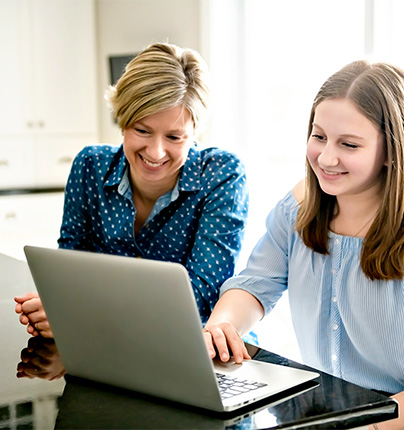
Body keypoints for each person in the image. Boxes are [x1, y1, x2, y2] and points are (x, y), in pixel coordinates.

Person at [202, 60, 404, 429]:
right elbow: (255, 285)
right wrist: (222, 323)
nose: (326, 157)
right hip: (328, 413)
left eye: (348, 144)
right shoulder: (297, 208)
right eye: (319, 137)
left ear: (392, 150)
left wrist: (374, 425)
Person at [15, 42, 249, 338]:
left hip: (192, 342)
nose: (156, 152)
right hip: (106, 340)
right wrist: (57, 308)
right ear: (122, 120)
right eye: (142, 131)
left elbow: (201, 295)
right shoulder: (90, 166)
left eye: (175, 137)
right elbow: (69, 272)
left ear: (194, 133)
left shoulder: (220, 174)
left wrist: (80, 310)